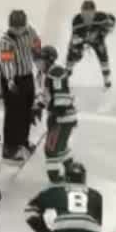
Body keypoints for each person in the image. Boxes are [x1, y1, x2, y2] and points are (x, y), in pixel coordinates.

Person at [0, 10, 43, 162]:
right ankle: (10, 148)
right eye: (14, 28)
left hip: (27, 77)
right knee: (13, 114)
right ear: (10, 26)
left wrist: (38, 57)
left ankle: (23, 143)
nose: (17, 30)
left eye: (20, 27)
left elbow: (36, 44)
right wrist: (10, 80)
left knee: (26, 112)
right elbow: (7, 62)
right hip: (12, 80)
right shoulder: (6, 41)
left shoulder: (30, 31)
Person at [38, 46, 80, 184]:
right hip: (62, 117)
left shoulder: (55, 71)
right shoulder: (49, 73)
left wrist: (57, 113)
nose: (37, 63)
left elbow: (60, 95)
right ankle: (72, 172)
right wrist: (39, 107)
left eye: (40, 60)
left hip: (62, 118)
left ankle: (55, 180)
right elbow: (50, 97)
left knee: (51, 149)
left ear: (48, 60)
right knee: (60, 148)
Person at [66, 0, 116, 89]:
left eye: (90, 15)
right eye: (84, 15)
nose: (87, 18)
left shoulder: (102, 17)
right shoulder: (77, 21)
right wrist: (81, 41)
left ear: (95, 13)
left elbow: (112, 20)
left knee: (103, 55)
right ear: (81, 13)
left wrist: (103, 32)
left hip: (97, 39)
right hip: (81, 38)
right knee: (72, 54)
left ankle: (107, 81)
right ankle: (66, 77)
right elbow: (74, 40)